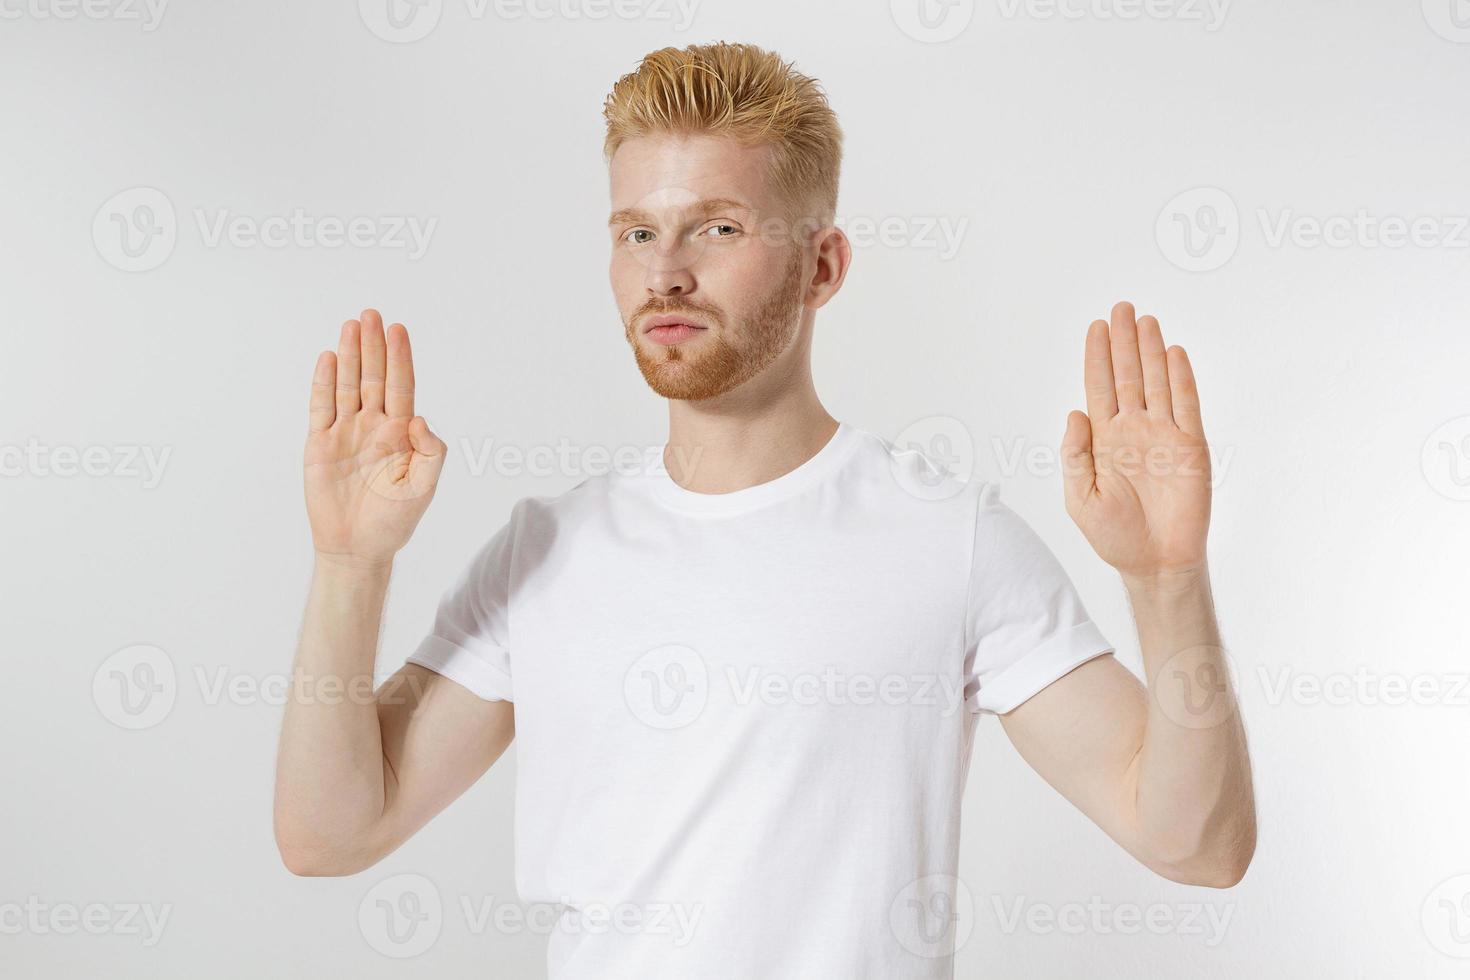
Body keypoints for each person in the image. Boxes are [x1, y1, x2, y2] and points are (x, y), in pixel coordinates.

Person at [273, 41, 1256, 979]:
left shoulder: (947, 536)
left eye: (719, 226)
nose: (665, 271)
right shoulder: (544, 550)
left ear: (822, 267)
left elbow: (1197, 844)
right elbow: (331, 831)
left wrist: (1168, 581)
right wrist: (351, 566)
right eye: (637, 231)